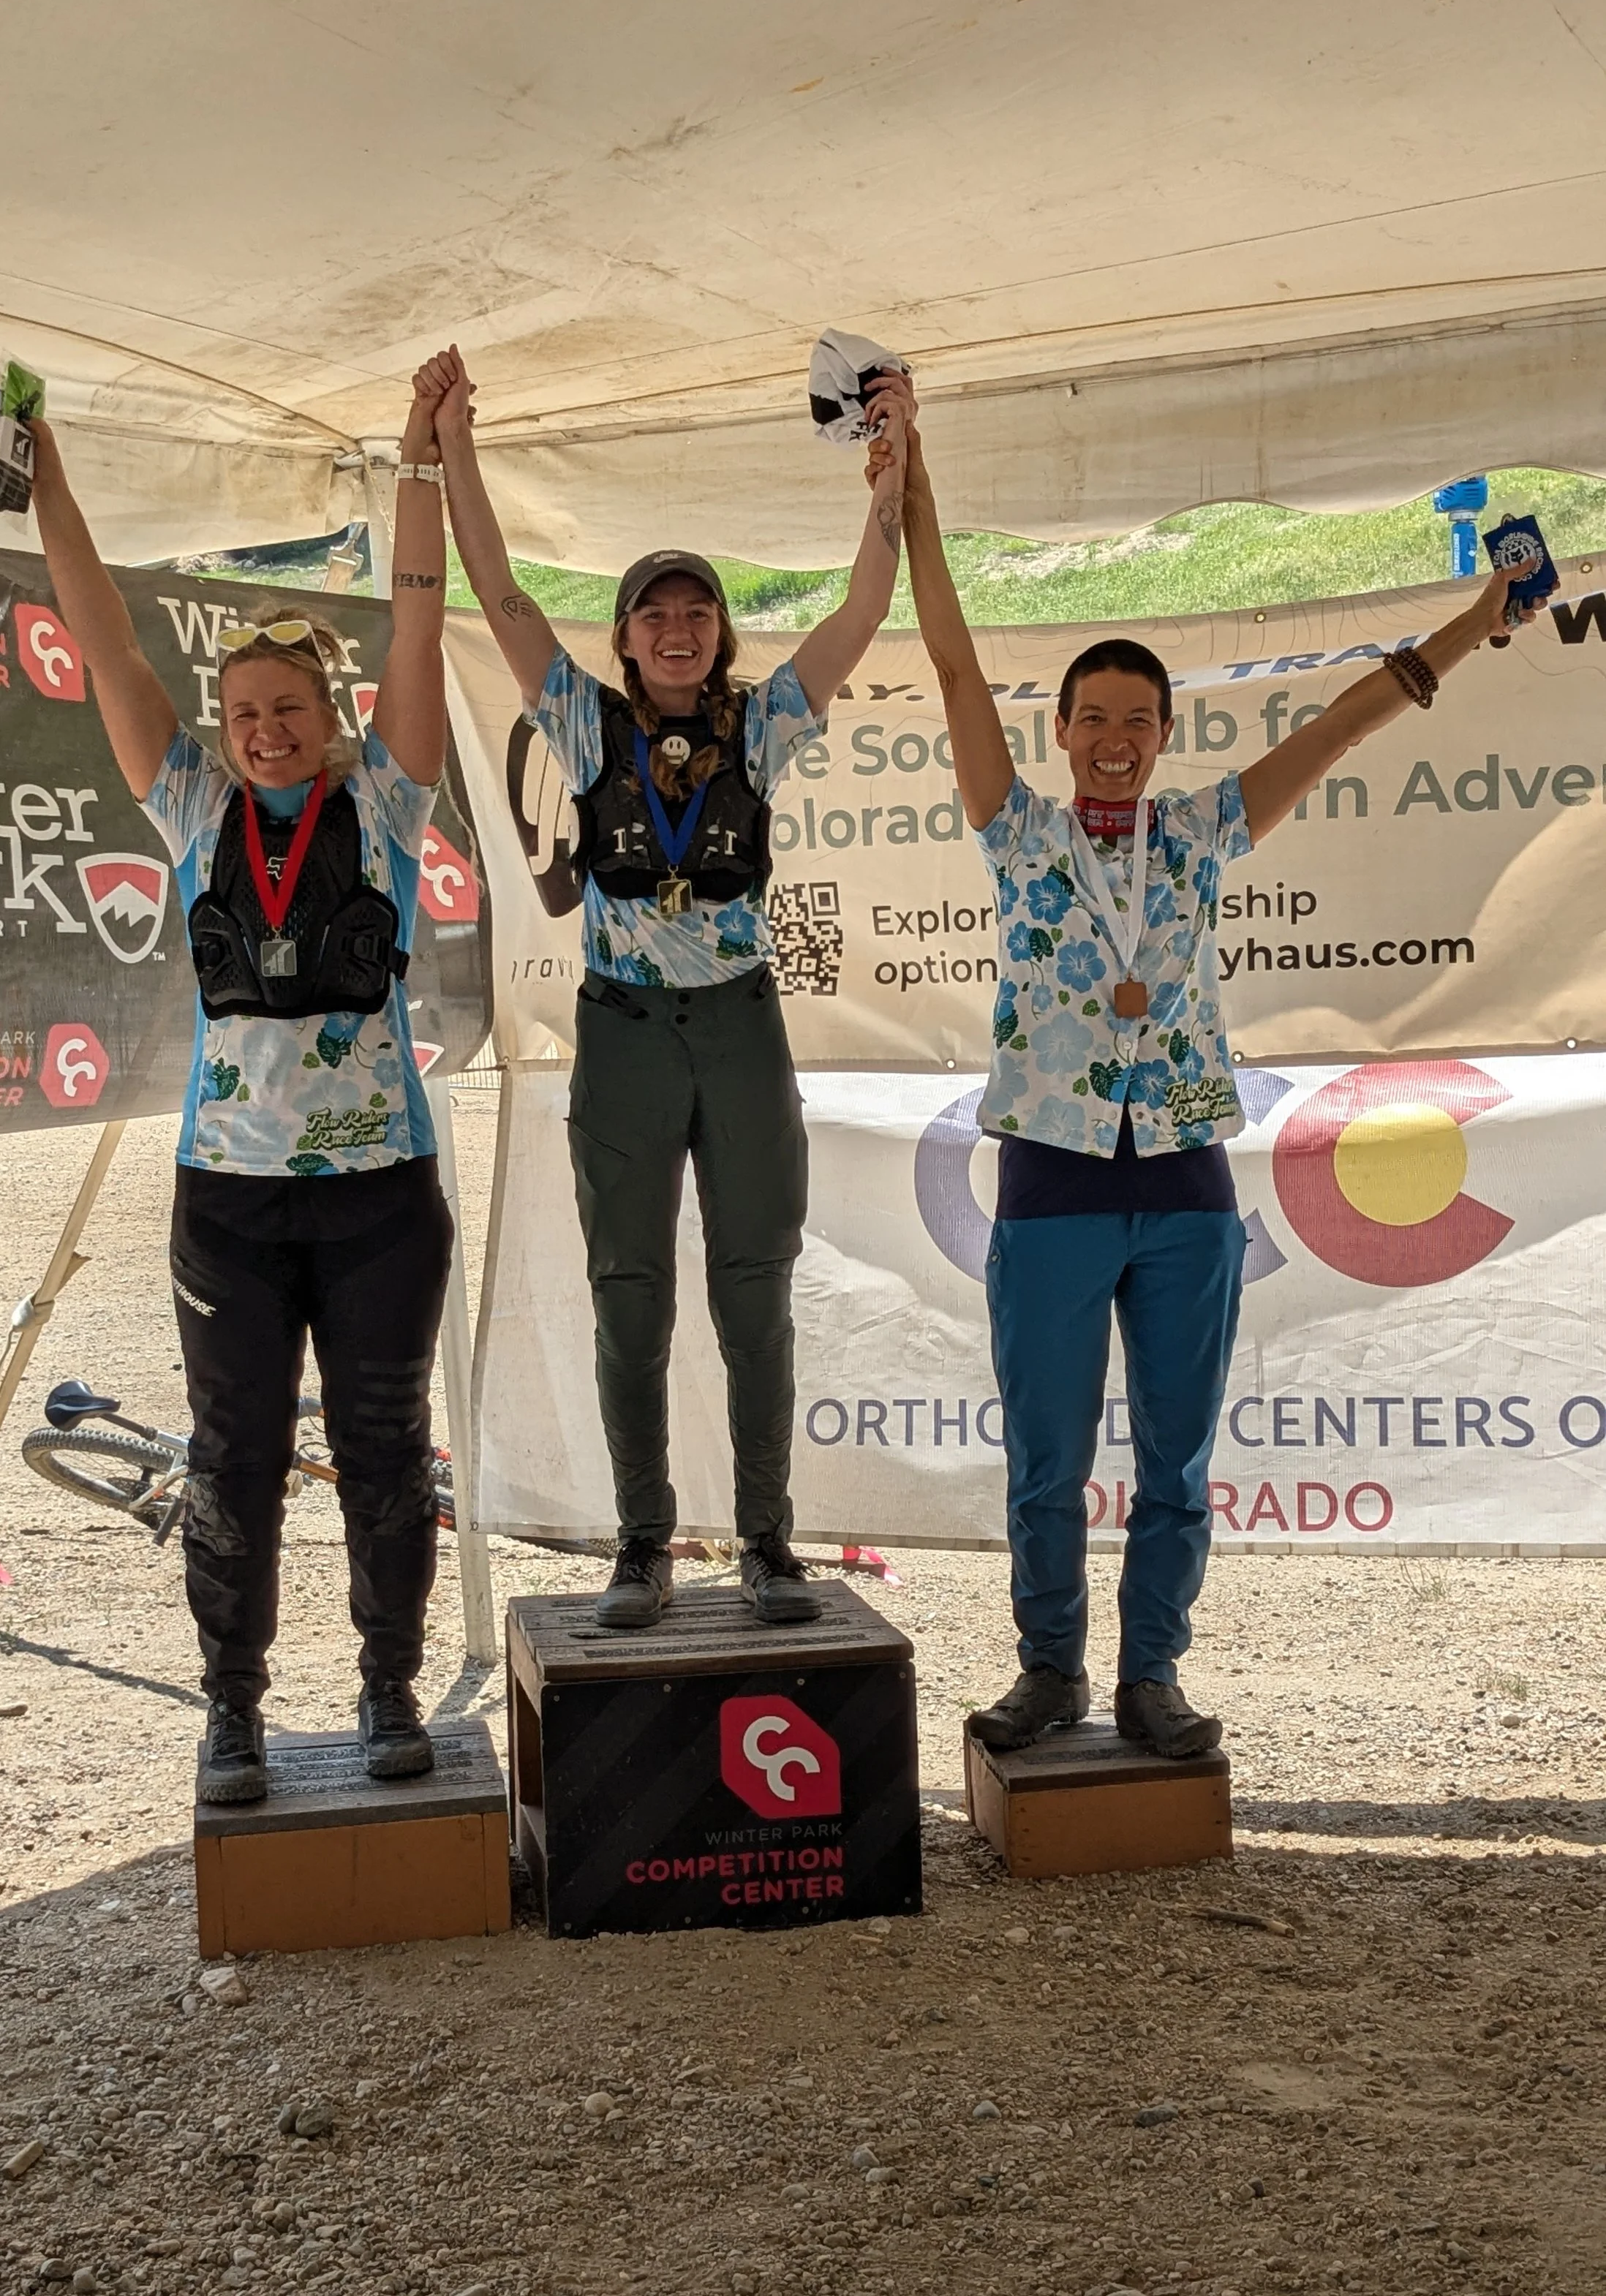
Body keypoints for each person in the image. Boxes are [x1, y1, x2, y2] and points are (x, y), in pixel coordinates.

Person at [900, 408, 1545, 1758]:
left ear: (1164, 730)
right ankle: (1048, 1672)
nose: (1117, 738)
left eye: (1141, 719)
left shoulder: (1203, 833)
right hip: (1053, 1188)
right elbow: (955, 663)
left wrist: (1480, 620)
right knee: (1045, 1470)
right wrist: (911, 497)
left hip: (1189, 1190)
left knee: (1178, 1468)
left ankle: (1151, 1679)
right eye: (1095, 718)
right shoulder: (1017, 835)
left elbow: (1351, 721)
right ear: (1064, 730)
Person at [427, 342, 915, 1628]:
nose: (678, 627)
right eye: (654, 612)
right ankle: (643, 1543)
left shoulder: (766, 722)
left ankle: (768, 1543)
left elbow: (865, 606)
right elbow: (496, 584)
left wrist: (892, 474)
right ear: (625, 637)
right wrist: (457, 446)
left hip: (741, 1032)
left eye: (697, 610)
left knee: (755, 1287)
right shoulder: (585, 725)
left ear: (723, 632)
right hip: (627, 1035)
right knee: (627, 1292)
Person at [27, 377, 456, 1805]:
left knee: (387, 1452)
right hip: (230, 1204)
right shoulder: (195, 806)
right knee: (236, 1459)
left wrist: (416, 468)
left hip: (381, 1198)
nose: (265, 730)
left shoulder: (388, 797)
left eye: (287, 709)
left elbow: (418, 620)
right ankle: (232, 1713)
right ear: (220, 726)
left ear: (331, 717)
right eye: (244, 712)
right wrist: (50, 485)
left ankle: (391, 1687)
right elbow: (100, 640)